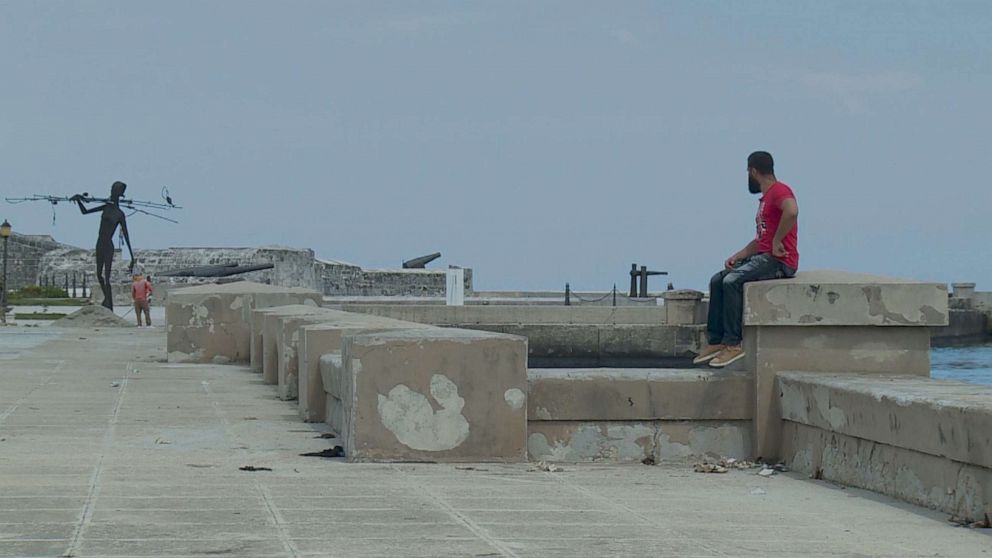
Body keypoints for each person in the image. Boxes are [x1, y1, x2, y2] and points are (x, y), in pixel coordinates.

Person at [693, 151, 799, 368]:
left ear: (752, 171)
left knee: (732, 282)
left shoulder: (779, 191)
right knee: (717, 280)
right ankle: (717, 341)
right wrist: (739, 255)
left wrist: (778, 241)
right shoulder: (766, 199)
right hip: (763, 255)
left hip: (780, 261)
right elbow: (762, 239)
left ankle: (733, 344)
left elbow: (792, 211)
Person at [71, 181, 136, 310]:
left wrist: (132, 257)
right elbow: (85, 212)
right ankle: (107, 300)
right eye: (112, 189)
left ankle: (109, 304)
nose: (112, 192)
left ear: (119, 194)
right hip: (99, 243)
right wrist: (79, 200)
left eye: (115, 190)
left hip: (108, 245)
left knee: (106, 277)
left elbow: (126, 236)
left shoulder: (120, 214)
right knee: (99, 274)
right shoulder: (106, 207)